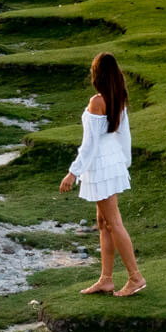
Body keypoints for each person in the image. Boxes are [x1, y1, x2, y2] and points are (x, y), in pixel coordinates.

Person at [59, 52, 146, 297]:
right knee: (104, 222)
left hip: (102, 164)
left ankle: (135, 277)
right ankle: (106, 279)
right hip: (112, 162)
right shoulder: (118, 97)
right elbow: (124, 135)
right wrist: (123, 163)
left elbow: (90, 145)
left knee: (114, 222)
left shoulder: (97, 101)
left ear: (97, 75)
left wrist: (72, 173)